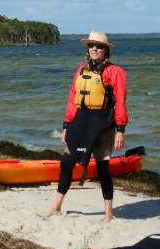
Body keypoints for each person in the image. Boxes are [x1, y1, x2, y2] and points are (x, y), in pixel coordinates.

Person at [43, 31, 127, 224]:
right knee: (66, 163)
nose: (95, 49)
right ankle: (56, 207)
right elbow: (73, 99)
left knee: (102, 169)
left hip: (103, 125)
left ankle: (108, 214)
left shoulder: (115, 72)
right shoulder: (81, 70)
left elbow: (120, 102)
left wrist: (120, 130)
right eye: (91, 46)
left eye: (99, 46)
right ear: (88, 50)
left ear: (106, 50)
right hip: (80, 123)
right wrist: (66, 125)